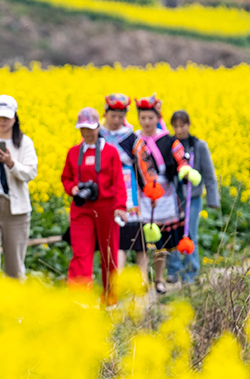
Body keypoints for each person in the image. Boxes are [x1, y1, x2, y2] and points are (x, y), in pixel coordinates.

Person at [132, 94, 201, 295]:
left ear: (157, 118)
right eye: (143, 118)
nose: (147, 122)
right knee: (143, 242)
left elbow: (181, 159)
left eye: (150, 118)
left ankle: (159, 279)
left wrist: (186, 170)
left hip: (165, 195)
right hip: (142, 195)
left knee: (160, 241)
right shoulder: (135, 140)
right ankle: (143, 279)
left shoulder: (169, 140)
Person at [61, 107, 128, 306]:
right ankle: (79, 299)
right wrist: (73, 189)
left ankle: (110, 298)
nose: (87, 132)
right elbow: (66, 178)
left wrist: (120, 207)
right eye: (83, 128)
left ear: (98, 127)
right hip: (82, 208)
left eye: (90, 128)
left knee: (109, 253)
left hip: (107, 208)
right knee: (81, 252)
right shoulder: (73, 153)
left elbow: (118, 182)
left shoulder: (110, 152)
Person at [0, 95, 38, 279]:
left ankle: (14, 298)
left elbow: (30, 173)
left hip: (16, 212)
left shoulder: (24, 142)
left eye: (6, 117)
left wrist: (11, 163)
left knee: (15, 266)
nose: (2, 121)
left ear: (15, 118)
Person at [166, 110, 220, 284]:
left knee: (190, 233)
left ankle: (191, 272)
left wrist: (213, 199)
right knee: (172, 233)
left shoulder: (198, 145)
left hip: (193, 197)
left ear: (188, 125)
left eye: (182, 125)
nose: (179, 130)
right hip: (173, 197)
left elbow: (209, 174)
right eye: (175, 126)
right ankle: (173, 270)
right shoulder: (169, 144)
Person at [99, 93, 148, 274]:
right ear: (105, 113)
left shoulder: (131, 137)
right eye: (113, 116)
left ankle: (142, 279)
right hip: (104, 186)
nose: (116, 120)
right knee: (113, 236)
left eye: (121, 116)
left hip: (129, 189)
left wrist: (150, 187)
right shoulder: (97, 134)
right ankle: (114, 277)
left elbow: (144, 163)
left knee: (136, 236)